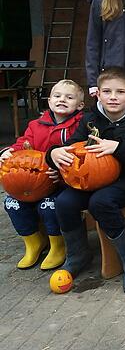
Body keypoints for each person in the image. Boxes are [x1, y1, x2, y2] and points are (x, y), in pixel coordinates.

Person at [47, 68, 125, 294]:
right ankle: (78, 255)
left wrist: (118, 148)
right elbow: (73, 146)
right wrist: (54, 154)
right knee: (64, 201)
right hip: (93, 179)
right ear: (98, 94)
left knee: (101, 202)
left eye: (120, 91)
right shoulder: (89, 119)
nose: (113, 97)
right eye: (107, 91)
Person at [0, 80, 84, 270]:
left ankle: (57, 245)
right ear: (49, 100)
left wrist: (63, 174)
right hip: (31, 181)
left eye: (69, 97)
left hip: (60, 182)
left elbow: (81, 155)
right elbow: (23, 144)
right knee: (12, 203)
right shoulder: (36, 125)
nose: (62, 100)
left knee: (48, 206)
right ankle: (33, 242)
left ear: (79, 105)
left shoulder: (79, 126)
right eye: (57, 96)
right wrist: (8, 152)